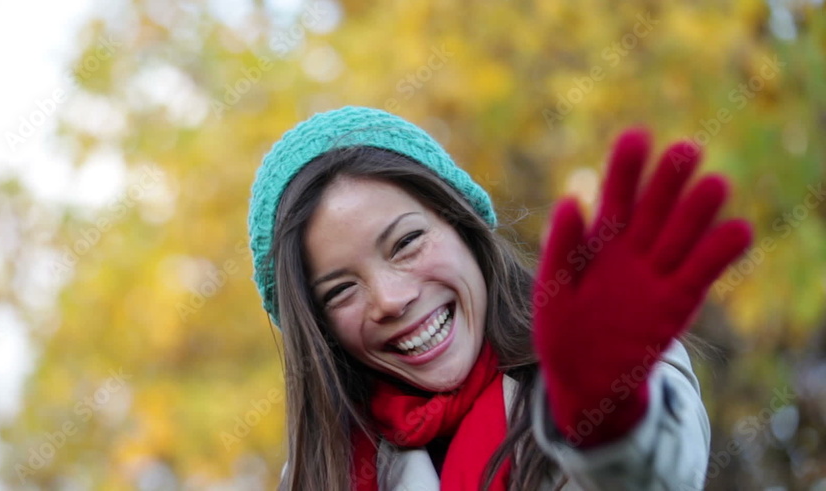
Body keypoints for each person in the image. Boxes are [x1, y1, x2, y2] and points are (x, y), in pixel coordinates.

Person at [246, 106, 752, 490]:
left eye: (405, 243)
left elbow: (657, 474)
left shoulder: (600, 367)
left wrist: (609, 425)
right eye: (340, 290)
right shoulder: (319, 470)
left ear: (463, 222)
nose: (391, 299)